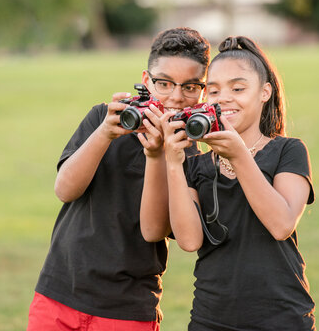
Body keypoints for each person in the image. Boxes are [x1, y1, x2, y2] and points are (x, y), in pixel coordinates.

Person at [27, 27, 211, 331]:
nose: (176, 97)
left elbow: (158, 230)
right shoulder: (105, 118)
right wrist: (105, 133)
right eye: (164, 83)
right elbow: (65, 190)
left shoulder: (192, 158)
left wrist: (163, 156)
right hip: (59, 291)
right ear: (145, 80)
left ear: (203, 90)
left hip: (127, 307)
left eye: (190, 87)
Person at [142, 36, 316, 330]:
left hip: (282, 317)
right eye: (213, 90)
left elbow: (281, 223)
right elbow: (189, 240)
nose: (224, 98)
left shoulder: (288, 151)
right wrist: (172, 161)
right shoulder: (197, 164)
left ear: (264, 92)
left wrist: (238, 156)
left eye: (238, 88)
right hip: (211, 318)